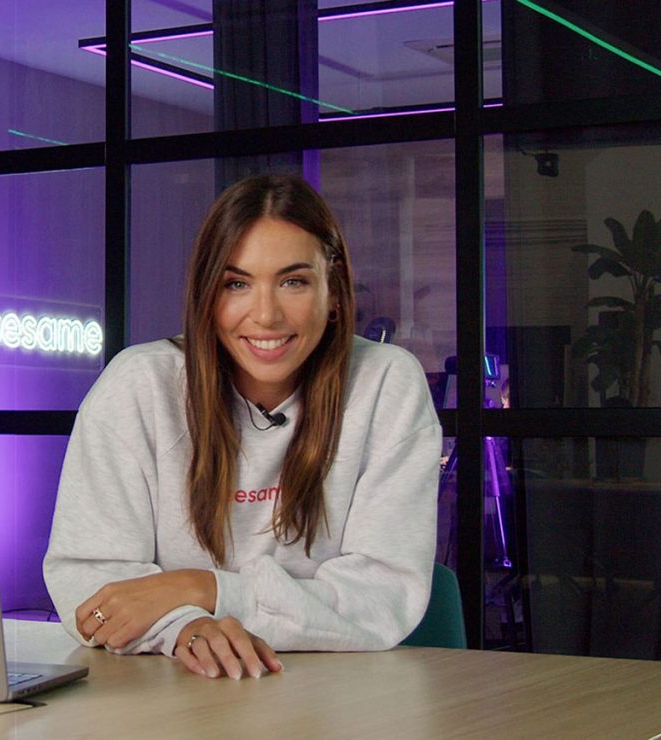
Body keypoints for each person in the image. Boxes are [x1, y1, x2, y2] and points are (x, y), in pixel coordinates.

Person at [43, 174, 441, 680]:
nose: (266, 315)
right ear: (207, 296)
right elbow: (92, 587)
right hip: (173, 689)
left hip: (338, 692)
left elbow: (382, 598)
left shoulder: (387, 383)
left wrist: (204, 588)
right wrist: (186, 627)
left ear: (335, 292)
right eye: (237, 284)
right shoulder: (138, 386)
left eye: (294, 282)